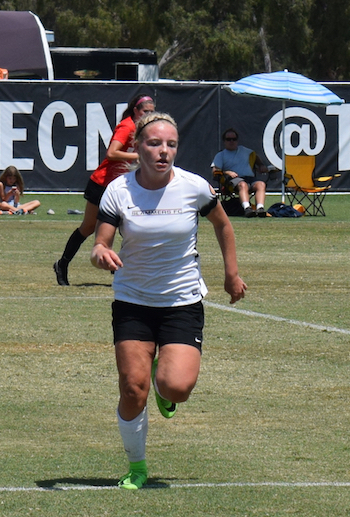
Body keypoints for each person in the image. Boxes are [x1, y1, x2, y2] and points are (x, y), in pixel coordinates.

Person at [90, 112, 248, 490]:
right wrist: (99, 252)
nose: (163, 152)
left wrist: (231, 274)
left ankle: (165, 382)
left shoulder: (194, 187)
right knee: (132, 388)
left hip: (181, 300)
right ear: (137, 148)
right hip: (133, 300)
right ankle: (137, 466)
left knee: (176, 387)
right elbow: (102, 241)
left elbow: (223, 225)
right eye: (154, 143)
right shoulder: (119, 190)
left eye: (171, 144)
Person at [53, 92, 156, 286]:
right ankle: (62, 264)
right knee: (88, 227)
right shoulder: (127, 126)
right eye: (145, 111)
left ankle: (118, 269)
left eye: (151, 112)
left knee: (127, 224)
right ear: (135, 110)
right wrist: (140, 157)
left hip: (124, 186)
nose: (148, 115)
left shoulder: (146, 130)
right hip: (102, 184)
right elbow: (112, 153)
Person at [211, 127, 269, 217]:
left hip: (250, 178)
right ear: (224, 141)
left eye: (234, 139)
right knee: (243, 185)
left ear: (237, 140)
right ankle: (247, 209)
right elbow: (215, 171)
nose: (231, 141)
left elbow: (255, 156)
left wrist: (261, 165)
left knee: (261, 184)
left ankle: (260, 209)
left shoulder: (245, 151)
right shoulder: (221, 155)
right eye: (228, 139)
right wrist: (227, 172)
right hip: (233, 180)